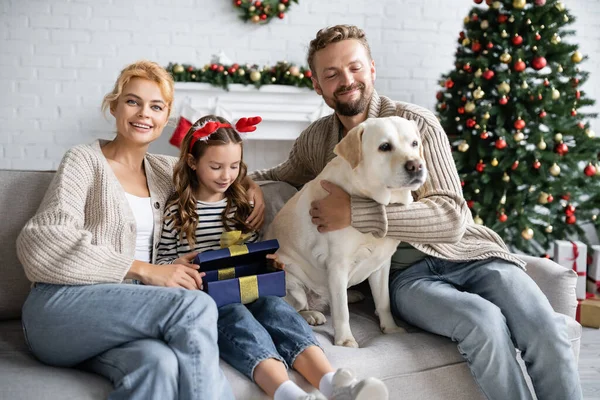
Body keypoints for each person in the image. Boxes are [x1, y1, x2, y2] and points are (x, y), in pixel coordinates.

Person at [249, 25, 583, 400]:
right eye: (332, 74)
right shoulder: (319, 140)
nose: (347, 80)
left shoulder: (415, 123)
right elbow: (276, 175)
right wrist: (245, 185)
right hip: (408, 279)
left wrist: (359, 214)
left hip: (471, 255)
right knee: (482, 322)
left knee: (544, 327)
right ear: (318, 85)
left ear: (372, 69)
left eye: (355, 68)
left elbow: (452, 217)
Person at [16, 60, 264, 400]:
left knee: (158, 363)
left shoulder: (166, 171)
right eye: (133, 101)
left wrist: (252, 185)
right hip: (60, 307)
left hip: (126, 316)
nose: (144, 113)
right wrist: (146, 271)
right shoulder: (83, 161)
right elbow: (40, 244)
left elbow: (221, 170)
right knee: (193, 306)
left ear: (166, 118)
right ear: (114, 105)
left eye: (156, 106)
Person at [156, 114, 389, 400]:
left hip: (247, 287)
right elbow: (163, 262)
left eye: (233, 167)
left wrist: (268, 263)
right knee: (238, 319)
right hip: (208, 296)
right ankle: (289, 394)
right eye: (216, 167)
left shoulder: (240, 202)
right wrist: (179, 267)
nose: (226, 176)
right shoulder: (178, 211)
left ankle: (333, 384)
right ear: (193, 163)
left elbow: (253, 246)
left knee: (279, 310)